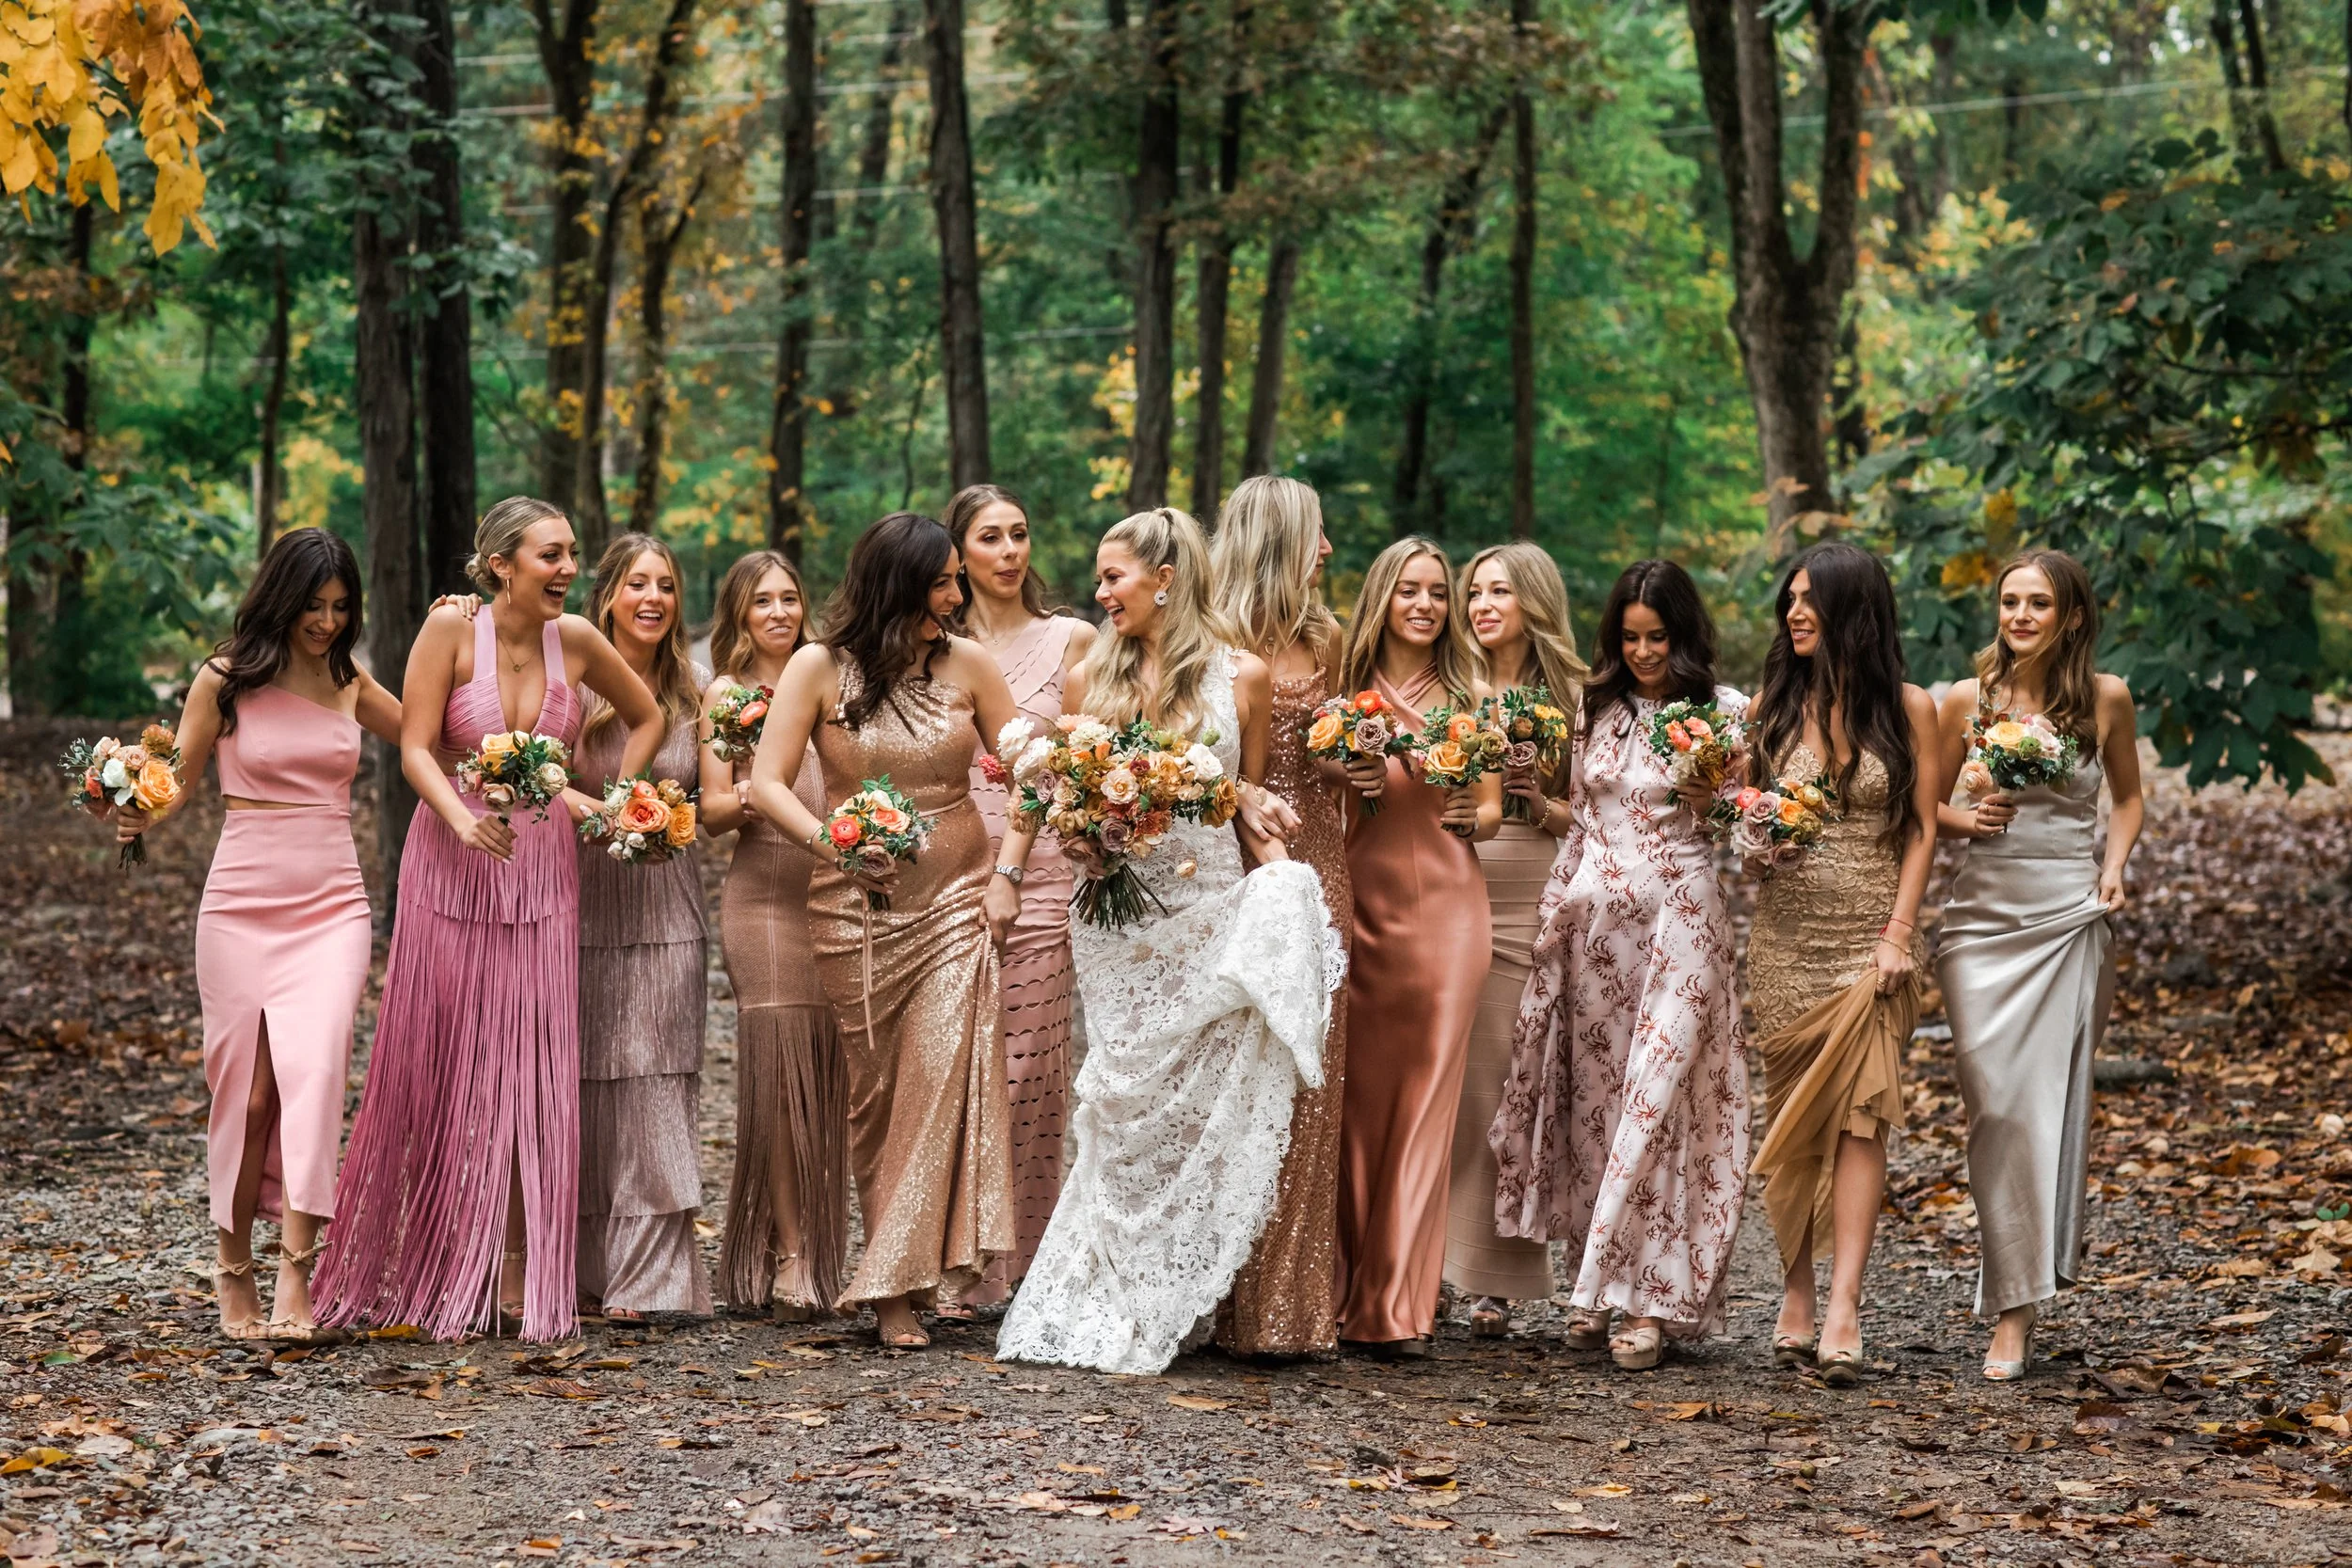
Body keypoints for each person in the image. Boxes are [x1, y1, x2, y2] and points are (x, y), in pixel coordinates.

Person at [995, 507, 1337, 1376]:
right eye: (1100, 577)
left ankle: (1176, 1290)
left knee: (1196, 1102)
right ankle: (1116, 1290)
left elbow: (1243, 799)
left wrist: (1290, 897)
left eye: (1114, 577)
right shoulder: (1090, 677)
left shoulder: (1243, 675)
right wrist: (1043, 855)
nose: (1101, 592)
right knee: (1124, 1099)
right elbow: (1052, 794)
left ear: (1167, 578)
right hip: (1117, 917)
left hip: (1207, 902)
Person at [313, 498, 662, 1342]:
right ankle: (439, 1262)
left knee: (528, 1072)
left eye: (572, 553)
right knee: (446, 1064)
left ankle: (513, 1270)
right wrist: (460, 819)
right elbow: (415, 748)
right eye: (552, 554)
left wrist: (617, 803)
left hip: (543, 874)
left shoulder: (577, 639)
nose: (569, 568)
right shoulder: (449, 630)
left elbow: (648, 715)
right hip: (450, 865)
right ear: (501, 563)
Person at [744, 512, 1030, 1350]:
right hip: (854, 907)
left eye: (955, 578)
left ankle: (898, 1283)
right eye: (941, 580)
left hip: (959, 898)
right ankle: (894, 1274)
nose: (956, 593)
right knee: (877, 1099)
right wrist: (832, 843)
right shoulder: (817, 667)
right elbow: (767, 782)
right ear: (896, 584)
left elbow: (1036, 778)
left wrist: (1009, 874)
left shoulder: (970, 664)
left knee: (937, 1077)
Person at [117, 529, 401, 1342]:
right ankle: (232, 1268)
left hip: (332, 903)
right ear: (281, 598)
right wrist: (131, 808)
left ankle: (295, 1278)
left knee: (315, 1075)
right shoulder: (226, 679)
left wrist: (468, 625)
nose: (327, 621)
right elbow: (176, 784)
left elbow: (433, 731)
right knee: (247, 1094)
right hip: (241, 902)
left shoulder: (347, 679)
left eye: (340, 607)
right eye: (314, 605)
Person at [1489, 561, 1750, 1371]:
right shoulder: (1593, 708)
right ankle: (1597, 1282)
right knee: (1599, 1101)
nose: (1642, 652)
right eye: (1630, 637)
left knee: (1657, 1100)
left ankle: (1649, 1299)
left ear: (1684, 634)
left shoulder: (1727, 712)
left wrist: (1713, 796)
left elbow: (1742, 823)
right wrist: (1533, 797)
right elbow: (1581, 817)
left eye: (1657, 637)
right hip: (1595, 926)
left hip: (1681, 921)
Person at [1933, 550, 2141, 1380]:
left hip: (2066, 916)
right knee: (1994, 1106)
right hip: (1980, 923)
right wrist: (1968, 820)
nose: (2020, 615)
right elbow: (1925, 808)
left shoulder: (2106, 698)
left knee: (2039, 1108)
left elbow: (2128, 798)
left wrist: (2113, 867)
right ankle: (2018, 1278)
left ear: (2072, 616)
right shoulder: (1967, 699)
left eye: (2039, 603)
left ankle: (2013, 1312)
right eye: (2010, 601)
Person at [1745, 541, 1941, 1387]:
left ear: (1852, 611)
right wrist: (1760, 844)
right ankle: (1796, 1290)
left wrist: (1898, 931)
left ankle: (1845, 1306)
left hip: (1873, 946)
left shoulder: (1909, 708)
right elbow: (1742, 816)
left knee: (1862, 1121)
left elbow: (1922, 828)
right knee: (1793, 1122)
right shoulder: (1772, 706)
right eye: (1789, 599)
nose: (1795, 613)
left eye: (1810, 600)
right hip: (1787, 942)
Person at [1335, 536, 1501, 1359]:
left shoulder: (1470, 694)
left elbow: (1493, 809)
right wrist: (1343, 776)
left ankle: (1397, 1304)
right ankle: (1342, 1288)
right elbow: (1316, 788)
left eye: (1439, 591)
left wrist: (1478, 813)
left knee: (1428, 1100)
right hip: (1360, 907)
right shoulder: (1346, 692)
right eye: (1410, 590)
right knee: (1359, 1105)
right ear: (1382, 597)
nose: (1427, 605)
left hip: (1449, 916)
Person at [940, 483, 1095, 1317]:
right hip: (946, 874)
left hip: (1040, 875)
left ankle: (1023, 1260)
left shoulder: (1073, 640)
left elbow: (1087, 761)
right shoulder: (935, 646)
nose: (1009, 551)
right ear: (957, 554)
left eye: (1019, 534)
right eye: (990, 537)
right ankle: (955, 1256)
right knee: (956, 1069)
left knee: (1030, 1070)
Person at [1206, 475, 1352, 1359]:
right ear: (1278, 542)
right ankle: (1221, 1295)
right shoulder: (1212, 641)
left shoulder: (1327, 638)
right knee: (1239, 1081)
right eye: (1316, 534)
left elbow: (1341, 760)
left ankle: (1288, 1308)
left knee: (1312, 1079)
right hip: (1236, 872)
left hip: (1323, 865)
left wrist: (1357, 764)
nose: (1328, 550)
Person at [701, 549, 849, 1322]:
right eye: (762, 600)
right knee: (781, 1082)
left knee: (824, 1079)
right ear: (739, 612)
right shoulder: (727, 694)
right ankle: (791, 1252)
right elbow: (712, 810)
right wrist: (760, 791)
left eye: (790, 597)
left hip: (833, 894)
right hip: (762, 901)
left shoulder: (830, 678)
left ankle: (820, 1247)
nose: (780, 612)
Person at [572, 532, 713, 1321]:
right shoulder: (572, 687)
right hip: (581, 906)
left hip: (668, 910)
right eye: (636, 583)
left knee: (657, 1080)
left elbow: (718, 799)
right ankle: (585, 1270)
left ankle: (649, 1278)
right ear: (607, 597)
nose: (652, 597)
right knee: (589, 1083)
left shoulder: (697, 691)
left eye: (665, 584)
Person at [1446, 542, 1584, 1338]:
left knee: (1506, 1080)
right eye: (1475, 591)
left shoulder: (1574, 695)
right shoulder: (1453, 688)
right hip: (1455, 875)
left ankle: (1492, 1278)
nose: (1482, 605)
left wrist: (1539, 800)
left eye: (1499, 590)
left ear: (1534, 599)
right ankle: (1431, 1260)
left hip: (1533, 886)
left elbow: (1598, 817)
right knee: (1453, 1079)